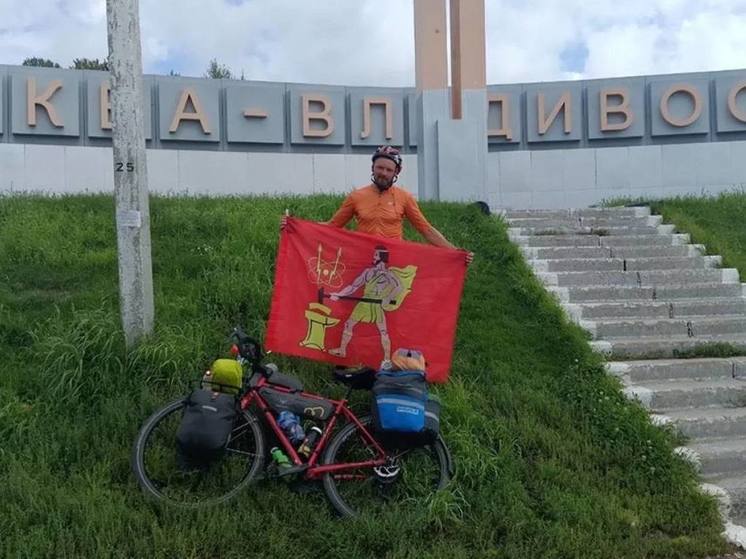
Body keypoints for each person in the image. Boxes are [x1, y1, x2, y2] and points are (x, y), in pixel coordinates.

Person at [281, 145, 473, 264]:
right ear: (372, 168)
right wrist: (296, 227)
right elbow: (332, 227)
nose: (383, 172)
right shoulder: (357, 196)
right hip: (362, 260)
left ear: (396, 172)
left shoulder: (404, 197)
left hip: (393, 262)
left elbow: (426, 230)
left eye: (388, 169)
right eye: (379, 167)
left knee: (391, 313)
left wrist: (454, 251)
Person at [327, 245, 403, 362]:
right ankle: (342, 350)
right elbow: (354, 286)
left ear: (382, 257)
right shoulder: (368, 272)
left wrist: (388, 298)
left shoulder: (387, 274)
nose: (374, 257)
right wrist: (339, 294)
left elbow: (399, 287)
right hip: (364, 303)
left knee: (383, 331)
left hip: (376, 305)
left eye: (376, 255)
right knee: (349, 324)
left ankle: (387, 359)